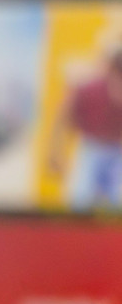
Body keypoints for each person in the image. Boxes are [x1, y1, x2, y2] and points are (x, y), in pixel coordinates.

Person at [47, 46, 122, 211]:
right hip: (91, 148)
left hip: (118, 151)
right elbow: (61, 120)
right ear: (111, 74)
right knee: (80, 202)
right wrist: (55, 153)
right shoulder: (87, 90)